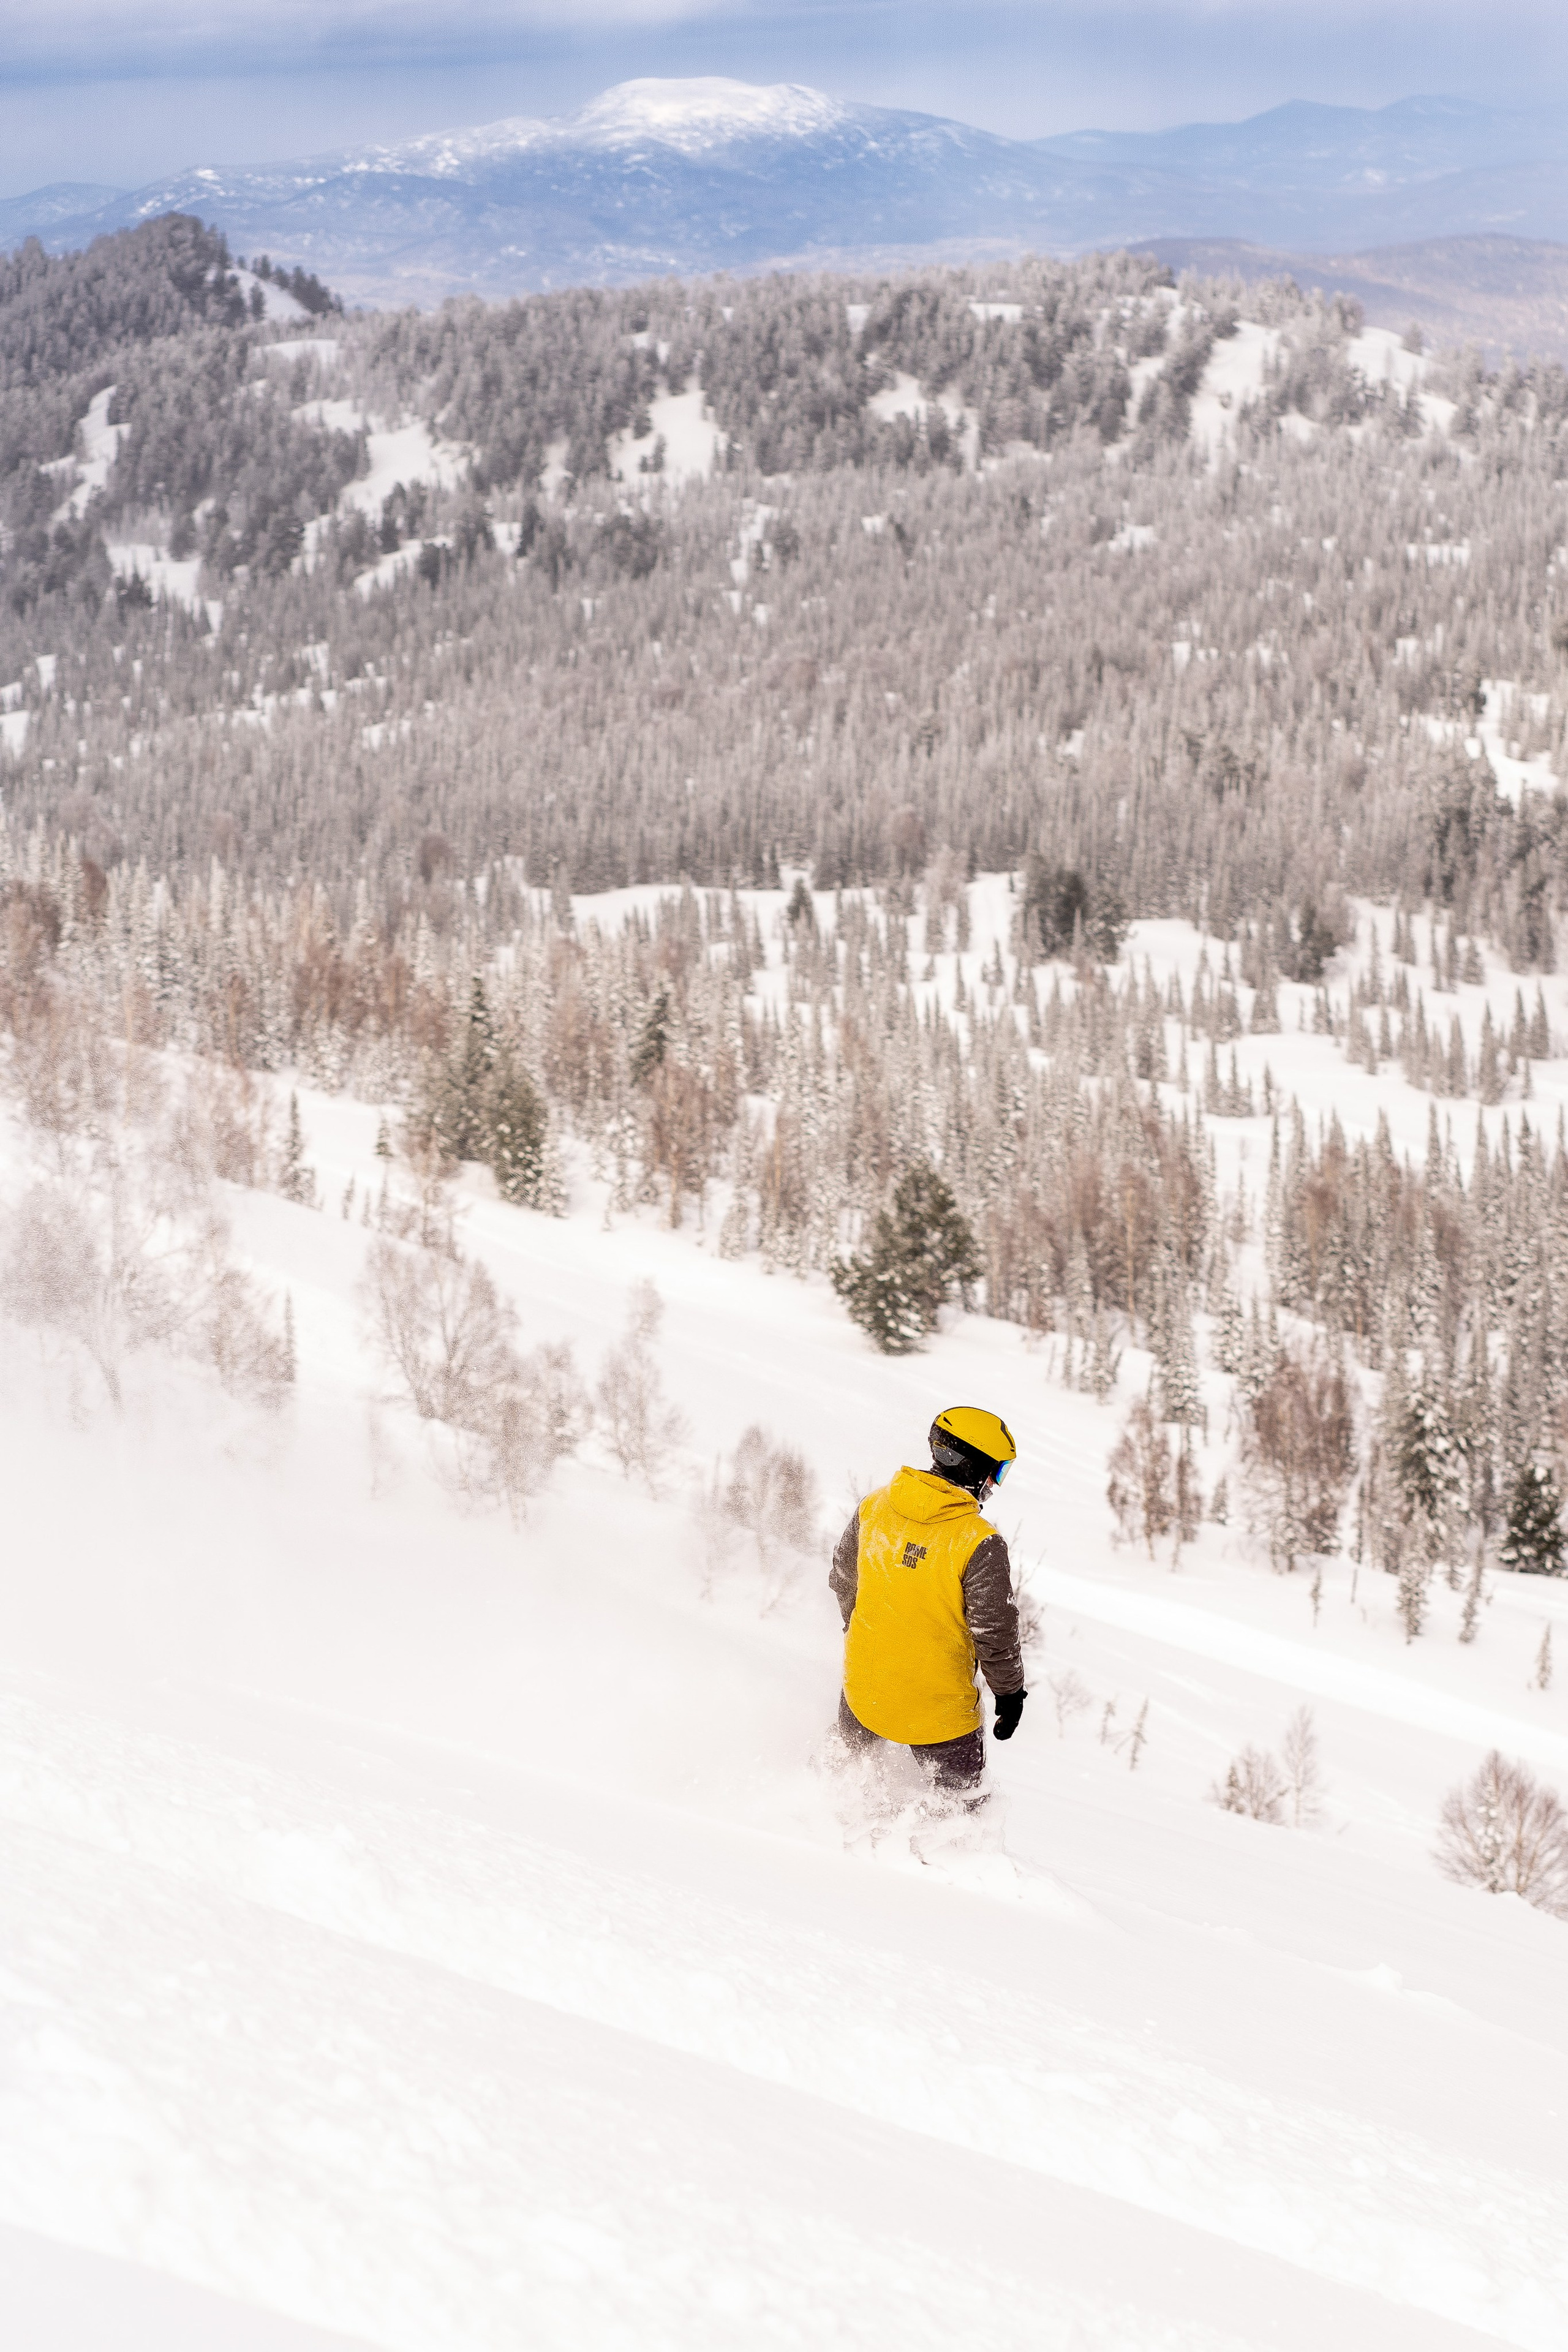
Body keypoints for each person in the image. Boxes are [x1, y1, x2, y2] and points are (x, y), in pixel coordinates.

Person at [830, 1406, 1026, 1800]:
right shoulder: (978, 1541)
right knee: (962, 1814)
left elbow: (843, 1580)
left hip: (864, 1693)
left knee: (844, 1784)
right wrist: (1009, 1692)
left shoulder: (875, 1507)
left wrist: (871, 1634)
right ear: (974, 1467)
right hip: (939, 1713)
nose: (996, 1484)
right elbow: (994, 1632)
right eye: (998, 1471)